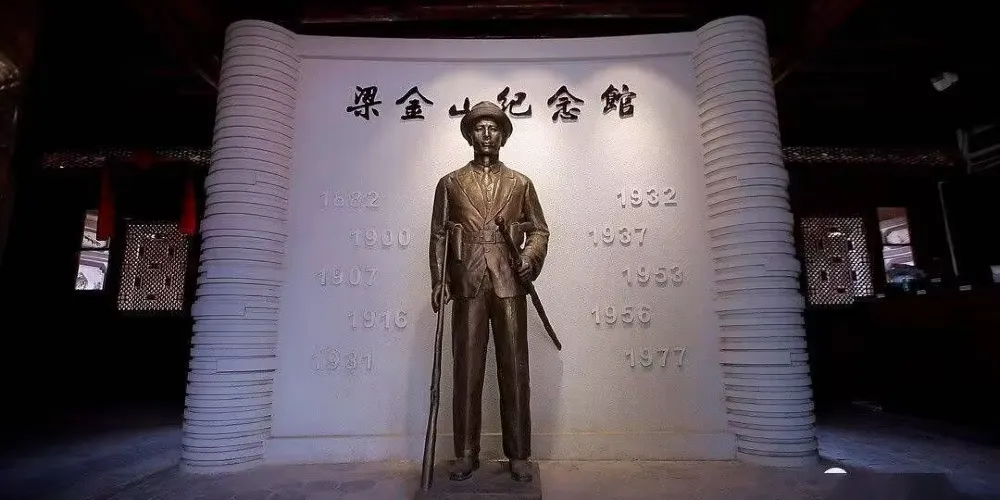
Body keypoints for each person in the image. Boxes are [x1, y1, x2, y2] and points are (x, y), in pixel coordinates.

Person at [429, 101, 550, 482]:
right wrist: (439, 280)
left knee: (515, 368)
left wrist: (529, 257)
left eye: (494, 128)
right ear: (469, 135)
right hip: (468, 281)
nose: (486, 134)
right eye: (479, 128)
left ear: (503, 136)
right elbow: (438, 235)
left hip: (509, 281)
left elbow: (539, 230)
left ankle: (519, 453)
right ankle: (466, 452)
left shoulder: (521, 183)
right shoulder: (450, 183)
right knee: (466, 370)